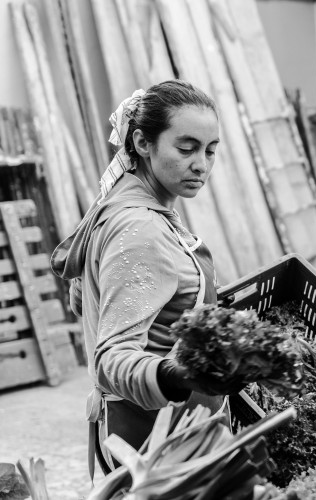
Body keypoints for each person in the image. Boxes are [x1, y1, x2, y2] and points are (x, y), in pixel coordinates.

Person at [51, 79, 246, 476]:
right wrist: (176, 374)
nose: (201, 165)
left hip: (167, 434)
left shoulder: (123, 204)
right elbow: (111, 358)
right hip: (156, 445)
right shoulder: (139, 228)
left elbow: (84, 300)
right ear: (142, 143)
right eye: (187, 148)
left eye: (210, 151)